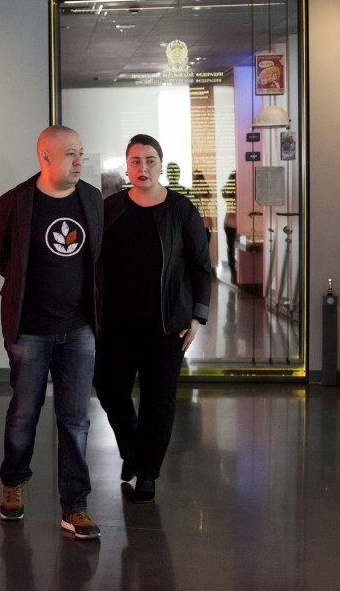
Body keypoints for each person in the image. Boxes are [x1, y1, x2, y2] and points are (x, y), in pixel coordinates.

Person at [0, 125, 103, 540]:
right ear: (45, 156)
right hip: (30, 329)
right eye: (71, 153)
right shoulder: (15, 201)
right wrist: (24, 285)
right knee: (24, 413)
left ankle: (75, 506)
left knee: (76, 420)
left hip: (79, 328)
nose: (79, 160)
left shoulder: (91, 198)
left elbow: (98, 256)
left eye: (81, 152)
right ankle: (14, 481)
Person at [94, 134, 211, 503]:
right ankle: (132, 449)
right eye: (135, 161)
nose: (142, 168)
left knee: (158, 399)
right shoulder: (110, 208)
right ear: (126, 167)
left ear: (160, 165)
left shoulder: (181, 209)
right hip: (116, 322)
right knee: (109, 387)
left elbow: (201, 265)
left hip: (166, 323)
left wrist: (197, 315)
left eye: (150, 161)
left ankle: (146, 472)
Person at [222, 171, 238, 283]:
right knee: (232, 249)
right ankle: (234, 273)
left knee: (231, 249)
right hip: (231, 224)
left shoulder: (228, 191)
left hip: (229, 223)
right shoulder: (232, 192)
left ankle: (234, 273)